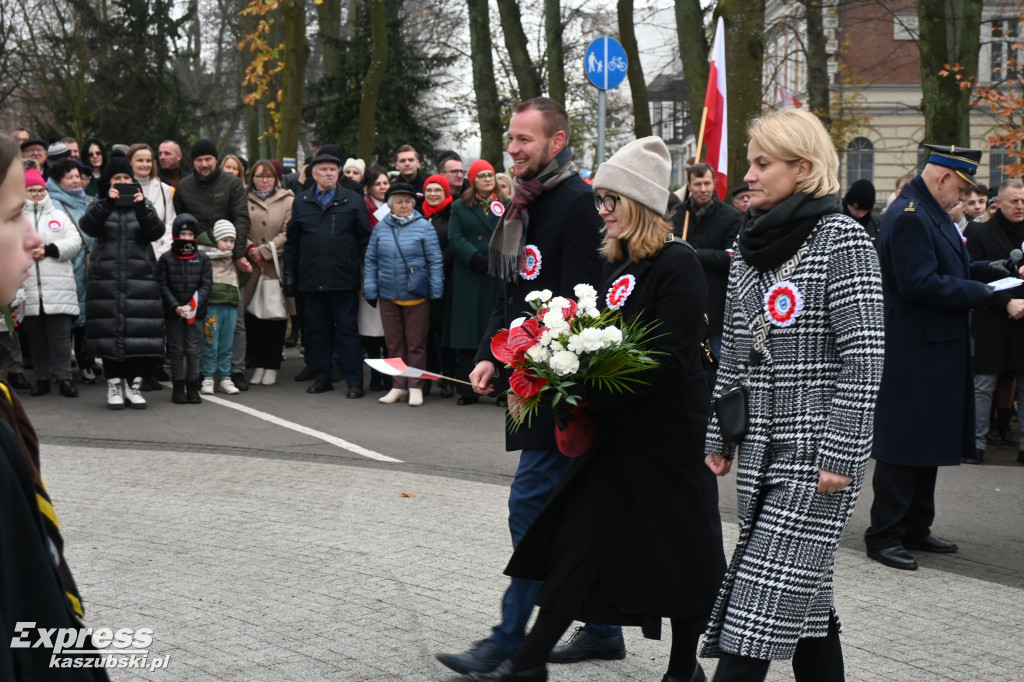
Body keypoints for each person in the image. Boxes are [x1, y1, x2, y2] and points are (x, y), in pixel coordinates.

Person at [479, 137, 726, 682]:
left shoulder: (677, 264)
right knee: (577, 544)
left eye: (612, 200)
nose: (603, 211)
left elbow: (669, 360)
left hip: (667, 447)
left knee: (685, 561)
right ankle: (527, 661)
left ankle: (683, 671)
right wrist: (555, 371)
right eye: (599, 200)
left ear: (640, 204)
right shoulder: (621, 265)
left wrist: (584, 386)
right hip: (616, 437)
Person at [437, 97, 621, 676]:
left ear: (557, 143)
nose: (511, 150)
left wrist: (532, 356)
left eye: (523, 140)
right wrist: (492, 351)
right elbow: (510, 289)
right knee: (564, 510)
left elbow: (583, 310)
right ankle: (602, 628)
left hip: (561, 387)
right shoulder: (521, 204)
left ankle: (511, 639)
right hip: (523, 375)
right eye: (509, 140)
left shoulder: (577, 206)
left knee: (532, 507)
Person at [701, 108, 885, 681]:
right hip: (759, 446)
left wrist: (841, 453)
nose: (747, 176)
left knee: (757, 605)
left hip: (815, 459)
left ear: (802, 169)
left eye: (761, 164)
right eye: (748, 163)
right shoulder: (751, 245)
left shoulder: (843, 241)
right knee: (804, 604)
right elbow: (733, 349)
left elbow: (865, 358)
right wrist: (720, 435)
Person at [866, 145, 1011, 570]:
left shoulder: (929, 212)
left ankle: (915, 526)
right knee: (904, 441)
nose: (965, 199)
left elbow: (956, 268)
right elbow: (919, 284)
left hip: (934, 345)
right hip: (914, 348)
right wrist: (982, 294)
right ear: (943, 176)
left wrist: (995, 269)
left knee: (927, 438)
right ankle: (885, 533)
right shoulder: (911, 215)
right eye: (962, 189)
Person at [0, 135, 110, 681]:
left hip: (59, 293)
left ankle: (60, 376)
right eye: (13, 214)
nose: (28, 235)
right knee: (40, 347)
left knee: (59, 344)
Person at [283, 147, 371, 397]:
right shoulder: (301, 201)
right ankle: (322, 377)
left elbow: (364, 239)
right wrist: (290, 275)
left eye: (333, 169)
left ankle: (354, 380)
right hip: (311, 278)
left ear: (339, 173)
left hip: (343, 277)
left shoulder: (353, 200)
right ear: (314, 173)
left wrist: (368, 274)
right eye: (324, 170)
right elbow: (292, 243)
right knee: (317, 331)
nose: (329, 174)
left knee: (347, 329)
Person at [80, 156, 165, 410]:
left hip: (140, 279)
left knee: (137, 333)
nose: (123, 182)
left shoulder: (144, 205)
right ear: (109, 181)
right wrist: (108, 203)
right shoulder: (99, 204)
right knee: (109, 333)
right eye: (118, 179)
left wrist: (141, 208)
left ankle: (134, 386)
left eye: (127, 179)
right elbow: (88, 226)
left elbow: (156, 233)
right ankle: (114, 385)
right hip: (106, 280)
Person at [173, 138, 252, 390]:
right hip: (197, 258)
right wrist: (204, 242)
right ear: (192, 162)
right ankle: (200, 372)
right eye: (199, 160)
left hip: (229, 257)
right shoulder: (184, 187)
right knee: (200, 317)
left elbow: (241, 217)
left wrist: (237, 252)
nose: (204, 164)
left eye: (208, 159)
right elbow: (181, 222)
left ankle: (235, 370)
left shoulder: (231, 183)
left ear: (216, 160)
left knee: (235, 319)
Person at [363, 182, 443, 406]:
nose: (404, 205)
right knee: (393, 344)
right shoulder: (381, 227)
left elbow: (435, 261)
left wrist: (436, 292)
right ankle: (398, 386)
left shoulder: (424, 227)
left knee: (417, 344)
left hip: (417, 296)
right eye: (399, 201)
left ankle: (415, 386)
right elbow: (371, 260)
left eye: (408, 201)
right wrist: (370, 289)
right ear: (390, 205)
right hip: (388, 295)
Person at [963, 178, 1024, 465]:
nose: (1020, 206)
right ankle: (975, 445)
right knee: (984, 383)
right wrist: (1006, 302)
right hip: (991, 317)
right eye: (1014, 201)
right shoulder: (980, 233)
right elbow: (972, 275)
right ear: (998, 203)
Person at [445, 160, 505, 405]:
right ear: (473, 180)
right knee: (469, 331)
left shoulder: (506, 204)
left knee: (498, 332)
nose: (487, 179)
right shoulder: (460, 206)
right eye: (481, 175)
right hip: (470, 274)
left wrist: (498, 258)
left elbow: (513, 233)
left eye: (490, 174)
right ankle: (468, 390)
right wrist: (475, 257)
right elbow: (455, 237)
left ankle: (501, 389)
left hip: (497, 273)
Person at [671, 162, 742, 361]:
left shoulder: (731, 216)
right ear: (689, 185)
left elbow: (731, 258)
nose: (703, 189)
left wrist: (691, 253)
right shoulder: (677, 214)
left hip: (716, 303)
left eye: (707, 183)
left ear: (714, 184)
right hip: (682, 300)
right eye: (698, 184)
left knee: (717, 359)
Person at [21, 168, 82, 398]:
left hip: (59, 288)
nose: (37, 194)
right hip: (28, 287)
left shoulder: (58, 215)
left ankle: (65, 378)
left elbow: (74, 241)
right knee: (36, 339)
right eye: (31, 190)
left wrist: (49, 250)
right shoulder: (16, 218)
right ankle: (42, 379)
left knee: (60, 338)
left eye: (40, 190)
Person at [45, 158, 97, 384]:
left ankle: (87, 363)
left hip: (88, 266)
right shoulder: (53, 204)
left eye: (78, 176)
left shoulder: (88, 201)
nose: (76, 181)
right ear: (58, 181)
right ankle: (63, 367)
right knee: (65, 321)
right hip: (65, 267)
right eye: (70, 177)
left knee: (86, 320)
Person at [243, 160, 294, 386]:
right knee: (252, 316)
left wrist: (264, 251)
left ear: (276, 179)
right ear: (251, 178)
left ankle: (272, 364)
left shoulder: (287, 200)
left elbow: (288, 231)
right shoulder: (243, 199)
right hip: (249, 266)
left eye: (269, 176)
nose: (264, 180)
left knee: (274, 316)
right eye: (259, 176)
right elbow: (237, 227)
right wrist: (250, 249)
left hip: (275, 264)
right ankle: (258, 363)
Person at [156, 215, 212, 404]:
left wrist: (192, 306)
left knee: (194, 349)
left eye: (190, 234)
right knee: (176, 349)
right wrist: (176, 306)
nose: (187, 238)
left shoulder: (203, 259)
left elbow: (206, 285)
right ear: (175, 235)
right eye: (183, 234)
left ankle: (193, 385)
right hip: (174, 313)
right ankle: (178, 386)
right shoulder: (166, 259)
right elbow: (162, 285)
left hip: (196, 312)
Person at [421, 172, 456, 398]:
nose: (433, 194)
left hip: (446, 280)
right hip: (421, 282)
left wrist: (432, 261)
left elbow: (453, 246)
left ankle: (448, 378)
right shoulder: (418, 214)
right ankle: (429, 376)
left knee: (445, 333)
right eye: (429, 190)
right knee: (425, 332)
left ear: (446, 192)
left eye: (438, 190)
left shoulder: (453, 214)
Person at [127, 143, 176, 257]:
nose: (145, 164)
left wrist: (162, 251)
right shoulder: (122, 188)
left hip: (158, 255)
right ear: (130, 162)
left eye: (148, 160)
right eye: (140, 160)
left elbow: (170, 223)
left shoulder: (165, 189)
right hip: (130, 256)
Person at [363, 164, 390, 228]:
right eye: (377, 184)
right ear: (367, 188)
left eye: (385, 183)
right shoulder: (363, 207)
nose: (383, 187)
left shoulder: (395, 202)